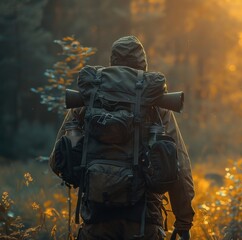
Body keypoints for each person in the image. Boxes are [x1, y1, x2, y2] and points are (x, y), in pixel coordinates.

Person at [49, 36, 195, 240]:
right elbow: (180, 166)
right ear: (143, 65)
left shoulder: (89, 99)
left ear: (112, 63)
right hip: (144, 221)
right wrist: (183, 220)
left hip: (96, 220)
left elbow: (57, 160)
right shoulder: (156, 105)